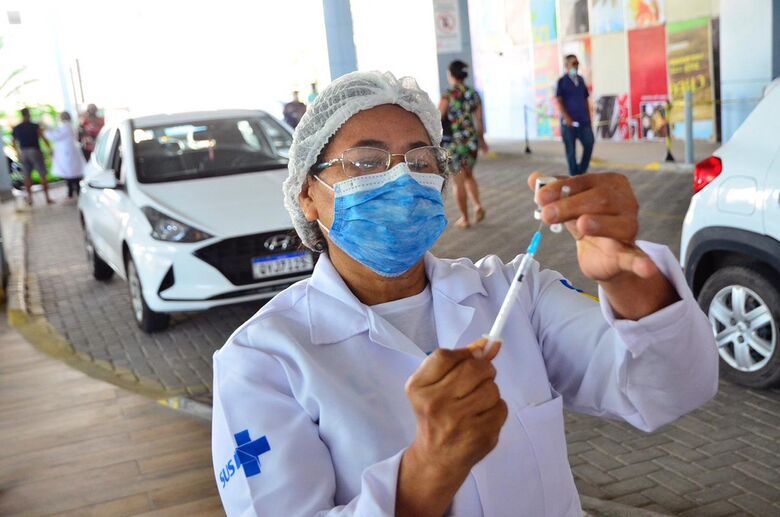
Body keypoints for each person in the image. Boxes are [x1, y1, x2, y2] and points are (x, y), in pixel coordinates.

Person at [211, 70, 718, 516]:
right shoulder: (262, 360)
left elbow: (670, 388)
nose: (401, 177)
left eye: (420, 158)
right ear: (306, 194)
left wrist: (628, 276)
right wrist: (429, 469)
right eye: (366, 162)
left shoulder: (514, 291)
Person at [439, 60, 488, 229]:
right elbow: (479, 120)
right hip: (470, 141)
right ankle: (478, 205)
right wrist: (481, 141)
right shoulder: (473, 93)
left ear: (451, 74)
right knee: (469, 175)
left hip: (454, 143)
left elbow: (439, 118)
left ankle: (465, 218)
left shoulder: (448, 94)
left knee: (457, 181)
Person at [556, 54, 595, 176]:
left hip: (583, 122)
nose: (576, 66)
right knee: (571, 152)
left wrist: (589, 118)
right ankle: (574, 176)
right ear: (566, 66)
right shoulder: (562, 82)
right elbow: (559, 101)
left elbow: (585, 100)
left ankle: (581, 171)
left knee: (589, 143)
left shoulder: (581, 80)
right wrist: (566, 117)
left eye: (577, 63)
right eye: (573, 63)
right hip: (568, 124)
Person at [11, 107, 53, 206]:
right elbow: (43, 137)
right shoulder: (34, 126)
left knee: (26, 176)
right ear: (28, 114)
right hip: (35, 151)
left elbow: (13, 141)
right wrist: (49, 148)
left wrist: (17, 153)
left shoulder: (18, 127)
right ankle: (47, 197)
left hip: (24, 152)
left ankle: (30, 199)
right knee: (42, 174)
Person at [45, 111, 86, 201]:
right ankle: (74, 193)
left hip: (68, 155)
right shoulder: (67, 126)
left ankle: (72, 194)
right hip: (69, 154)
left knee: (71, 175)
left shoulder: (66, 127)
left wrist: (47, 130)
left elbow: (55, 136)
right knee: (73, 175)